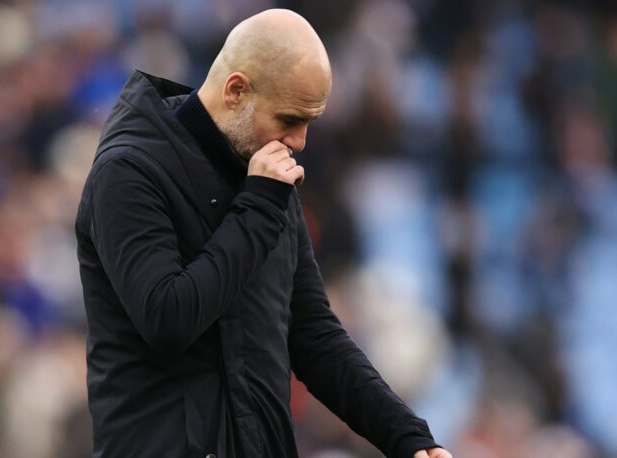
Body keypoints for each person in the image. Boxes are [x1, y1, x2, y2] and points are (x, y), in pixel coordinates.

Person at [75, 8, 452, 458]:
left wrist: (408, 437)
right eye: (290, 119)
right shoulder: (129, 171)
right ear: (236, 91)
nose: (300, 142)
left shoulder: (265, 178)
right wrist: (257, 207)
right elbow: (167, 318)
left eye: (309, 122)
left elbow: (314, 336)